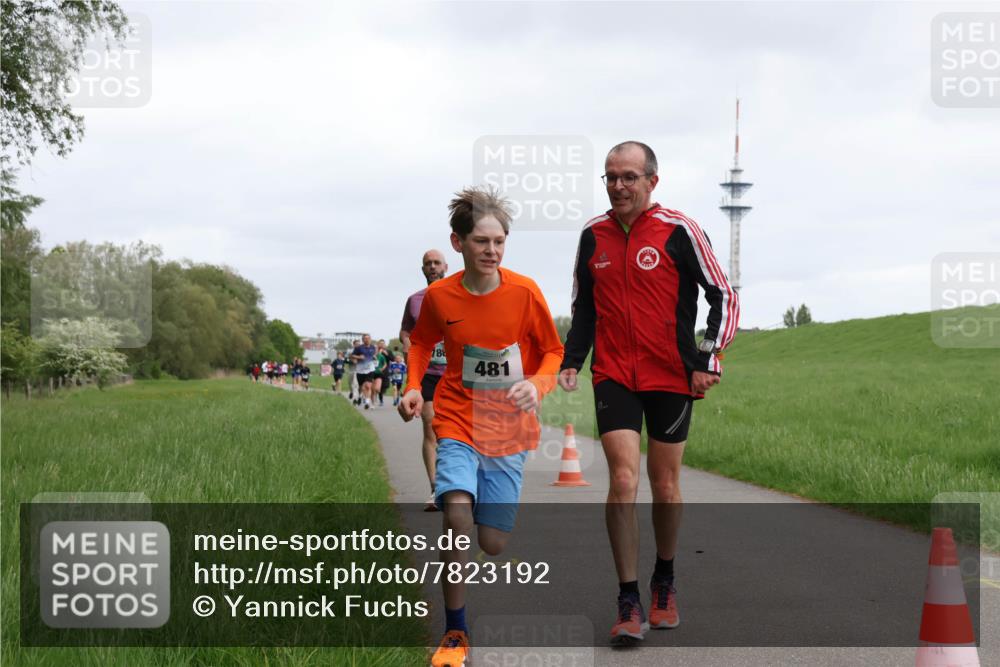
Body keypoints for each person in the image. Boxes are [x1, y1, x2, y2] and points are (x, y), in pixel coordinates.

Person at [558, 141, 740, 645]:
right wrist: (574, 359)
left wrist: (708, 357)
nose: (618, 185)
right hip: (614, 372)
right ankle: (627, 597)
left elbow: (722, 293)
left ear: (651, 182)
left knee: (664, 487)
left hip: (671, 376)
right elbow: (584, 305)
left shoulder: (679, 229)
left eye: (628, 177)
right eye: (610, 177)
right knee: (622, 480)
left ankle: (664, 579)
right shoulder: (592, 235)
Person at [398, 186, 564, 667]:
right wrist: (412, 386)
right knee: (455, 518)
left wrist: (537, 384)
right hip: (455, 418)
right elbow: (421, 342)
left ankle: (483, 511)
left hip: (508, 429)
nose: (491, 251)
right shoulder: (439, 295)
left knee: (491, 543)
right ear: (458, 243)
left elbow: (553, 351)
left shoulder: (525, 292)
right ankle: (455, 634)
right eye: (481, 242)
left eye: (499, 242)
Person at [400, 248, 449, 512]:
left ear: (446, 266)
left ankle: (460, 484)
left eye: (436, 263)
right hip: (430, 373)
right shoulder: (415, 300)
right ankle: (435, 488)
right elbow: (405, 330)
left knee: (458, 433)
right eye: (428, 264)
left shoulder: (460, 294)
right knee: (430, 430)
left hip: (456, 374)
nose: (432, 267)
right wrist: (410, 345)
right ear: (423, 270)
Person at [351, 334, 377, 409]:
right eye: (365, 338)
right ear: (363, 340)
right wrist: (359, 357)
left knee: (368, 386)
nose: (367, 340)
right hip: (360, 370)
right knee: (361, 387)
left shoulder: (373, 347)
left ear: (370, 339)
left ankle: (367, 402)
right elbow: (352, 355)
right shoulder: (358, 348)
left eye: (368, 338)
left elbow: (374, 355)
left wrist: (374, 357)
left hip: (370, 369)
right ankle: (360, 396)